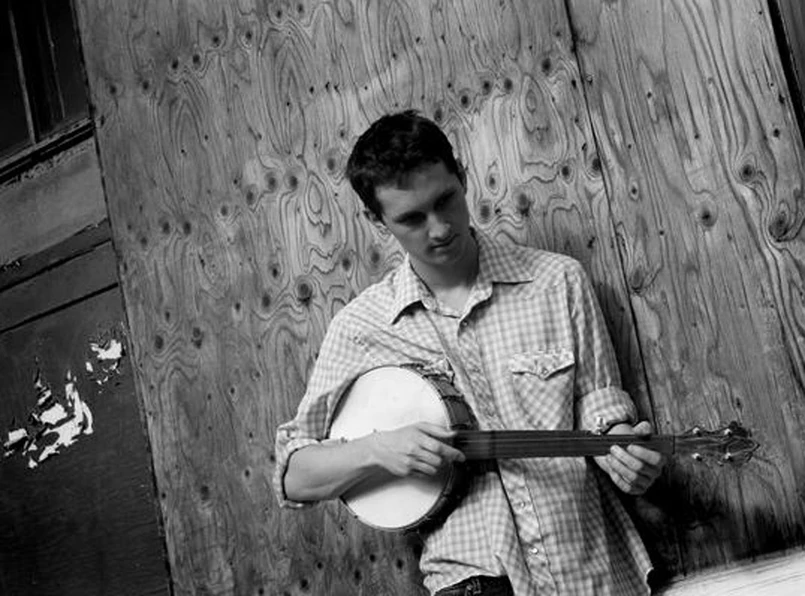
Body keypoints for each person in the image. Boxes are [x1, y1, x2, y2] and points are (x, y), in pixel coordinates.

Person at [273, 110, 665, 595]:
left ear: (461, 175)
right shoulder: (361, 329)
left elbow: (600, 410)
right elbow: (293, 477)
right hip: (473, 580)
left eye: (445, 201)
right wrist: (378, 450)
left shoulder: (557, 282)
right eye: (412, 219)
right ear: (377, 220)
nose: (439, 228)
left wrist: (627, 454)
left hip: (589, 570)